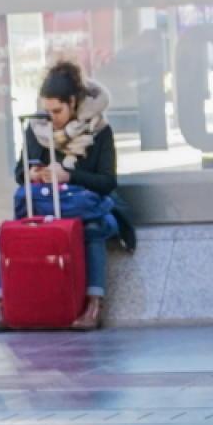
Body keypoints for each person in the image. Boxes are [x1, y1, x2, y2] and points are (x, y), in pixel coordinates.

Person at [18, 58, 131, 332]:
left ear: (73, 102)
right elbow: (18, 172)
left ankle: (94, 303)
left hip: (88, 204)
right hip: (49, 204)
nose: (51, 119)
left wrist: (70, 176)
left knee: (91, 227)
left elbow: (107, 182)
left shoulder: (99, 130)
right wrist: (32, 174)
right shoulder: (37, 128)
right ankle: (4, 302)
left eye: (57, 111)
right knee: (20, 229)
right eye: (46, 111)